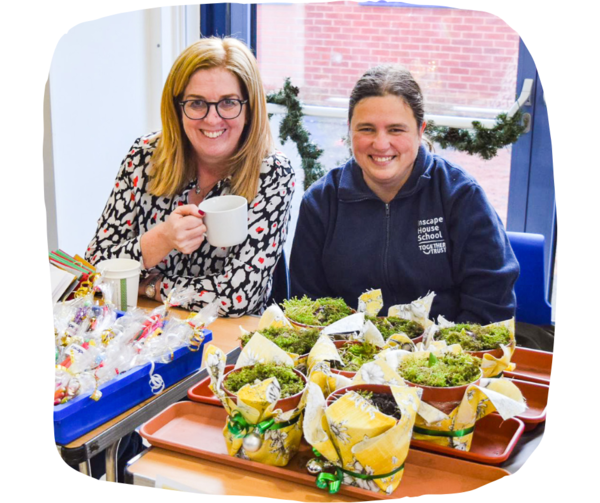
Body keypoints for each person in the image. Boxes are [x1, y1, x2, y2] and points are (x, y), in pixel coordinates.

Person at [289, 64, 519, 324]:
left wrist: (441, 358)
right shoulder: (321, 203)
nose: (381, 143)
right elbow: (306, 307)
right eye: (366, 129)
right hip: (348, 355)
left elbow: (491, 305)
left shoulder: (461, 196)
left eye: (396, 129)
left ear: (421, 130)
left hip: (443, 355)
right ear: (350, 129)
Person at [86, 37, 295, 316]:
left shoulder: (271, 173)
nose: (212, 119)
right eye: (197, 103)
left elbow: (237, 298)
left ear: (250, 108)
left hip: (229, 340)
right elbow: (94, 269)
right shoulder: (144, 157)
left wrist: (150, 286)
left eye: (229, 102)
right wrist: (162, 238)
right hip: (140, 330)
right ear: (177, 108)